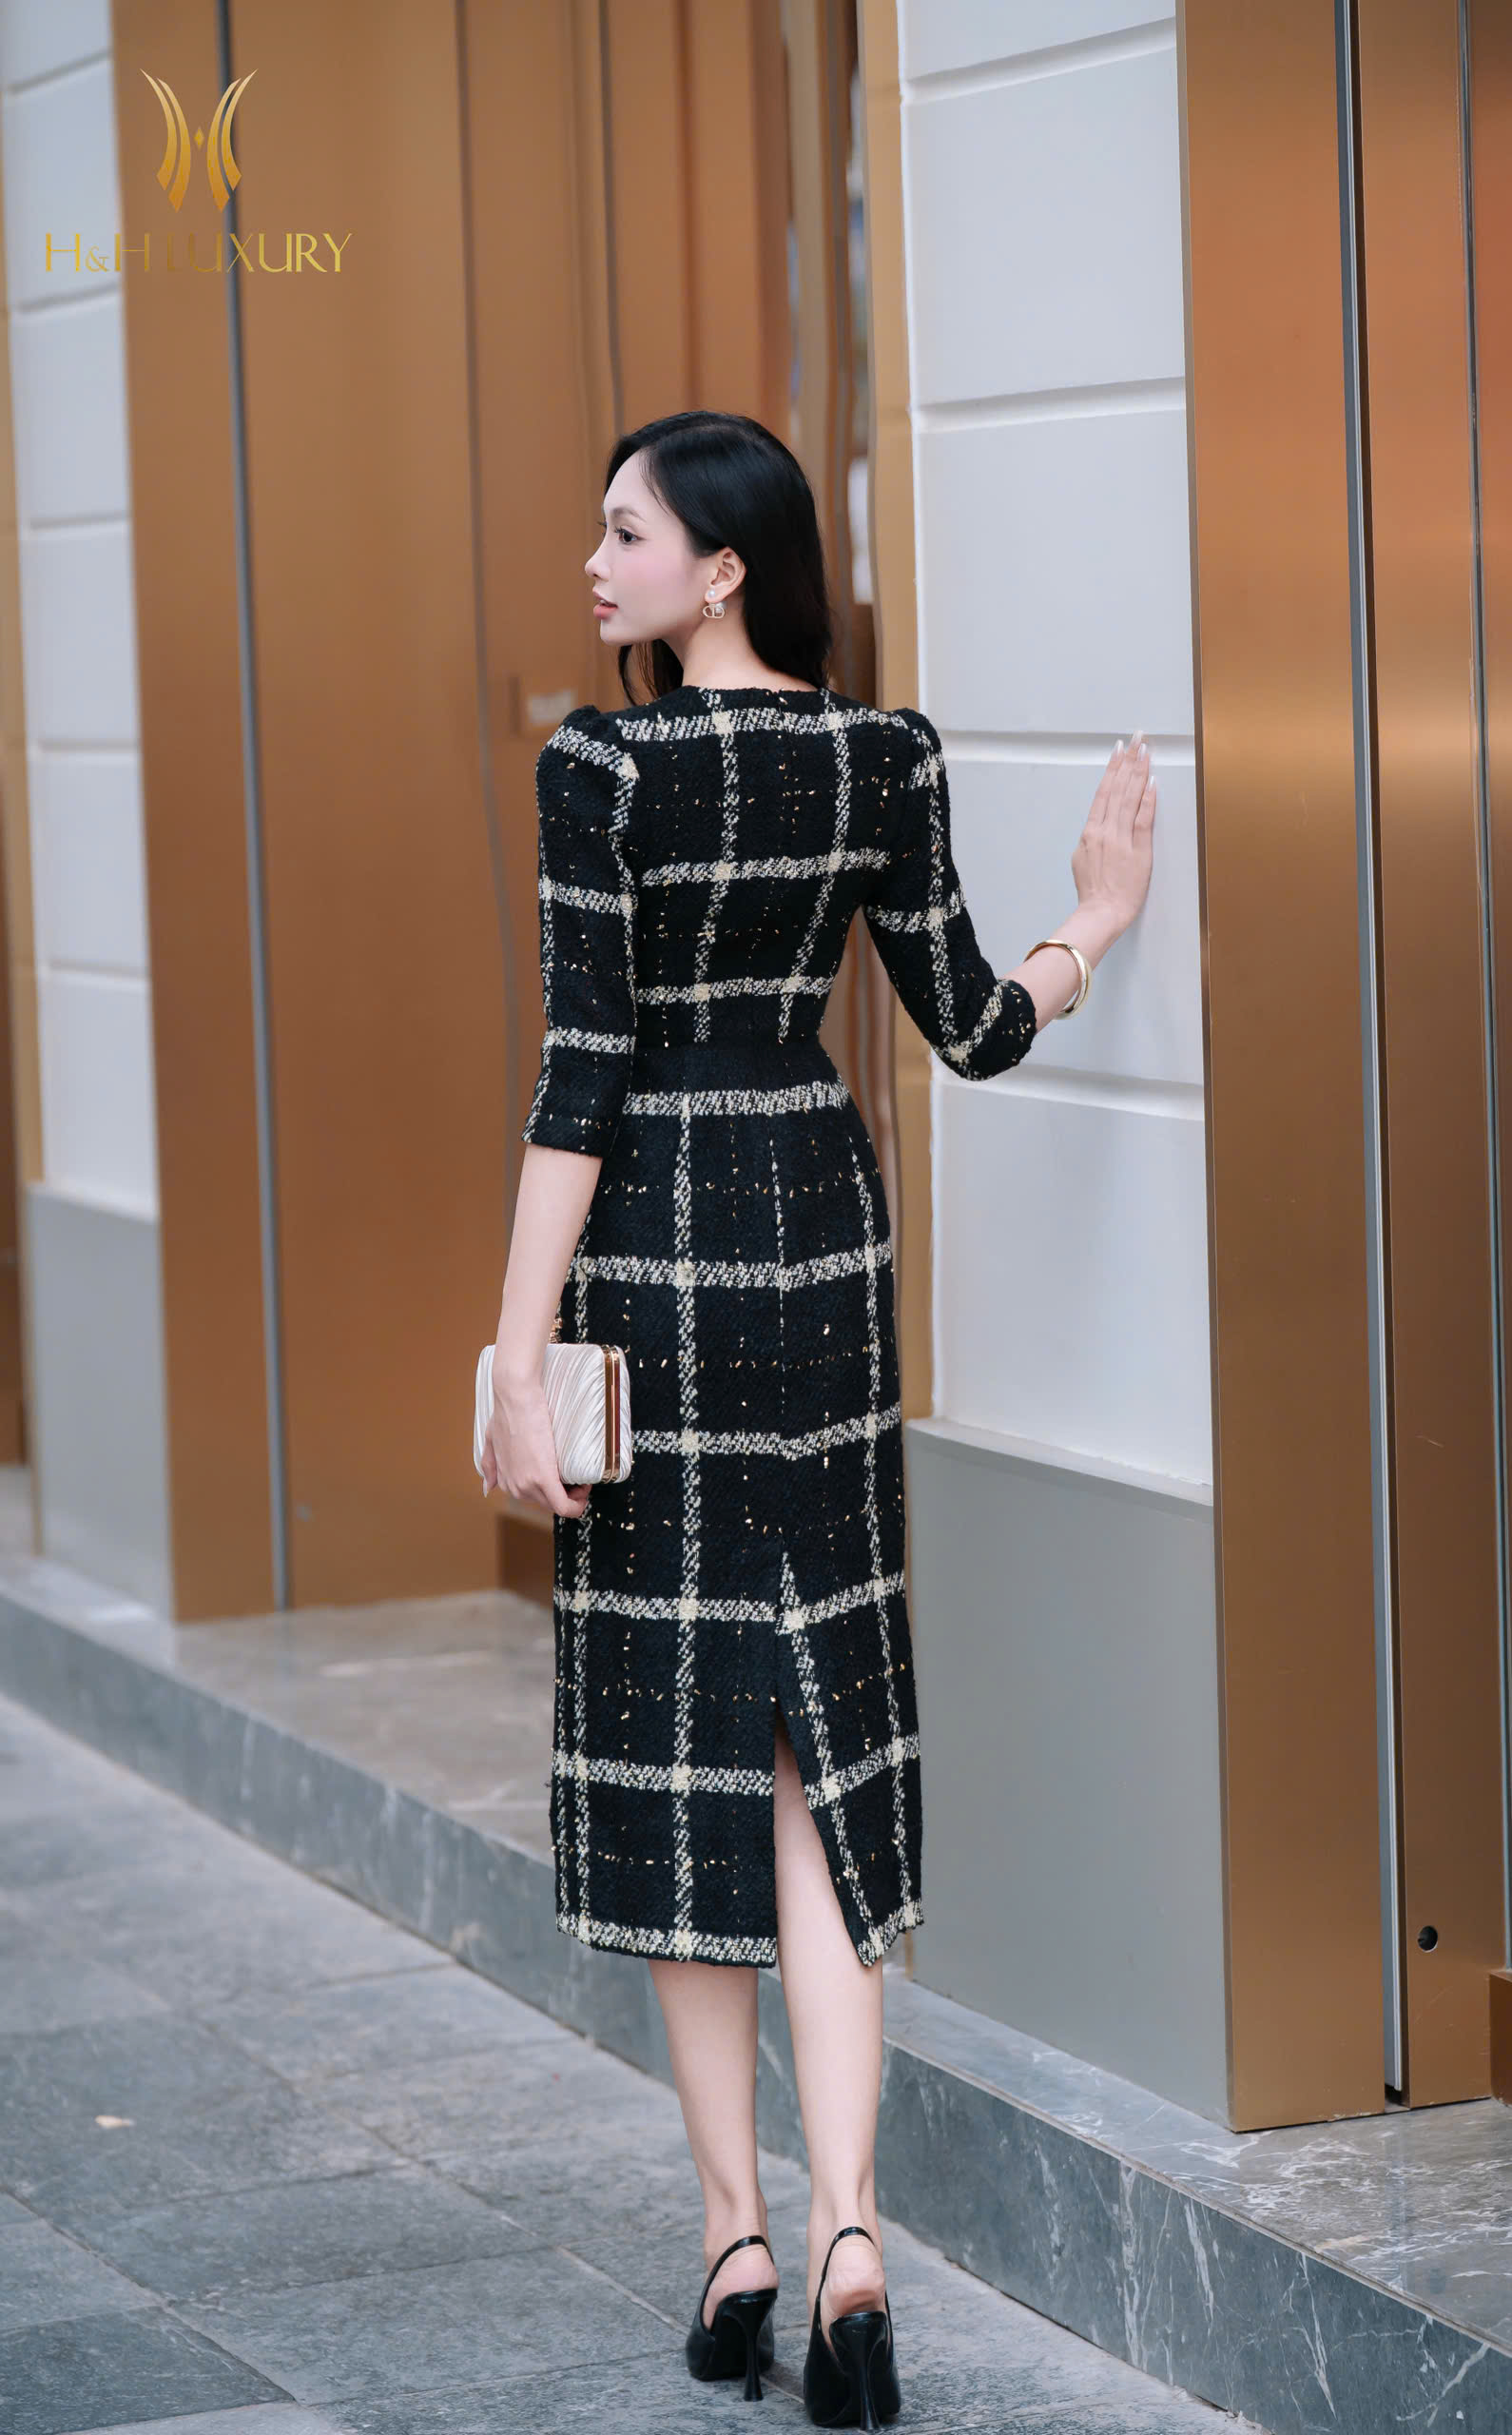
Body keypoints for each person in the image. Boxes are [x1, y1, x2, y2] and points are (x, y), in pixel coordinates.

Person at [479, 409, 1155, 2424]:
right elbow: (970, 1021)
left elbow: (580, 1076)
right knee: (813, 1719)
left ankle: (739, 2235)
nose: (595, 561)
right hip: (819, 1226)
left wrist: (516, 1353)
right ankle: (856, 2230)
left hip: (656, 1241)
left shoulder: (599, 766)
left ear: (722, 567)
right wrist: (1096, 920)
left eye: (625, 532)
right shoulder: (888, 753)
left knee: (675, 1725)